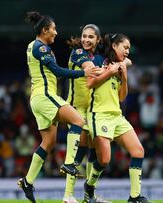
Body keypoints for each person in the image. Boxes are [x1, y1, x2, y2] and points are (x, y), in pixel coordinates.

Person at [17, 11, 101, 203]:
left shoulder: (32, 46)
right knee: (78, 120)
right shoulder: (42, 48)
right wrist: (83, 73)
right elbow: (57, 71)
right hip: (45, 96)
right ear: (45, 30)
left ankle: (28, 181)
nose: (56, 32)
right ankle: (70, 164)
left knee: (48, 142)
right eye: (53, 29)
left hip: (37, 99)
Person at [84, 33, 151, 203]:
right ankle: (90, 185)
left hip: (117, 116)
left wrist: (124, 76)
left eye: (129, 48)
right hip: (99, 115)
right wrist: (110, 71)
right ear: (114, 46)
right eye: (125, 47)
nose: (128, 51)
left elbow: (122, 97)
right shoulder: (98, 60)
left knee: (138, 151)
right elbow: (90, 83)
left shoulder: (120, 66)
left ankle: (134, 197)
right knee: (105, 160)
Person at [62, 24, 111, 203]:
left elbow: (121, 59)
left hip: (92, 109)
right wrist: (112, 69)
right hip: (75, 109)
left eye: (91, 37)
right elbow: (91, 69)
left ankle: (88, 196)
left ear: (98, 40)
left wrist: (123, 63)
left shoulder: (99, 57)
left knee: (93, 148)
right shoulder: (77, 53)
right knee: (79, 149)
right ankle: (68, 195)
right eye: (84, 36)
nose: (86, 40)